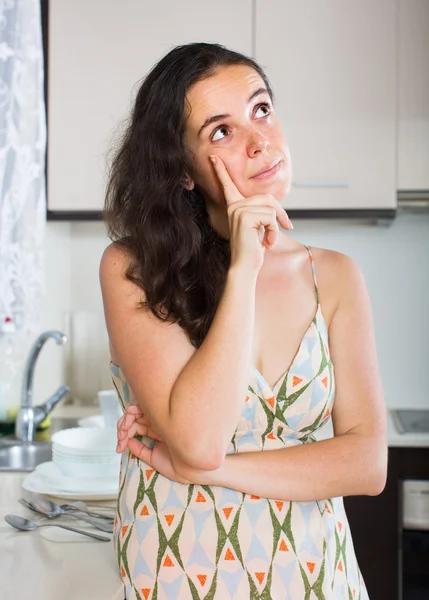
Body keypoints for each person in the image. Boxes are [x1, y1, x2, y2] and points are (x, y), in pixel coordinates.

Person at [100, 42, 387, 600]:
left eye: (260, 109)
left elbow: (366, 463)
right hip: (179, 572)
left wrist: (207, 470)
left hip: (315, 576)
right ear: (182, 170)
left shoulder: (336, 277)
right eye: (220, 132)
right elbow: (200, 439)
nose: (260, 141)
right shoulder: (133, 269)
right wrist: (245, 268)